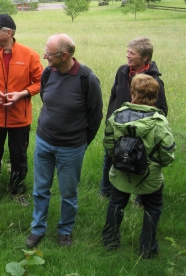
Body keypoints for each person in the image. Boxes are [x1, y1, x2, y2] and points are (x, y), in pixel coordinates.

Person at [25, 34, 103, 249]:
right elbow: (46, 99)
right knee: (40, 189)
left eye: (49, 54)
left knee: (68, 193)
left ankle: (65, 231)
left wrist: (80, 143)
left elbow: (95, 116)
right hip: (44, 142)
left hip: (72, 148)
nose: (44, 57)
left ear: (65, 55)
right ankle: (37, 229)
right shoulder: (48, 72)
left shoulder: (87, 79)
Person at [0, 14, 42, 212]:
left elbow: (40, 81)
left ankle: (17, 191)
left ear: (8, 33)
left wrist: (22, 94)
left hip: (19, 117)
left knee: (19, 157)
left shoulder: (30, 56)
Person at [101, 74, 175, 259]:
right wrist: (157, 163)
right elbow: (167, 152)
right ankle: (147, 248)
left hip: (120, 173)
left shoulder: (117, 116)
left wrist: (118, 159)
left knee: (116, 203)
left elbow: (109, 143)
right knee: (153, 207)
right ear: (155, 96)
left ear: (132, 93)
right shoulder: (159, 121)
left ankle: (110, 242)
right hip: (149, 176)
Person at [99, 37, 168, 199]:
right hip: (118, 129)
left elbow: (162, 109)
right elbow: (113, 96)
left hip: (141, 136)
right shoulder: (122, 71)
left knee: (141, 164)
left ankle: (140, 199)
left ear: (145, 57)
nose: (128, 56)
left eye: (132, 53)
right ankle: (105, 191)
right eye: (127, 52)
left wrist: (147, 129)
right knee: (109, 160)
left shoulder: (154, 80)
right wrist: (110, 118)